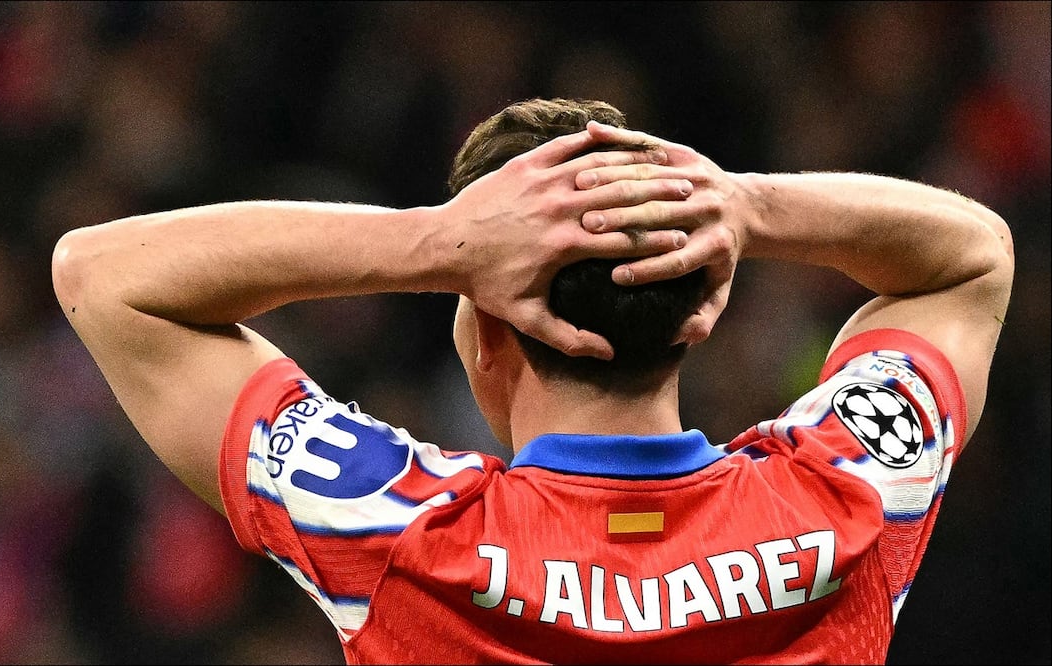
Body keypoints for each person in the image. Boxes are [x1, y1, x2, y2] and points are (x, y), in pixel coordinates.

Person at [52, 98, 1013, 664]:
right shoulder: (849, 494)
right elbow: (971, 259)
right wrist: (745, 205)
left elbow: (104, 276)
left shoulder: (393, 528)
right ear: (699, 314)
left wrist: (433, 243)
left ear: (483, 334)